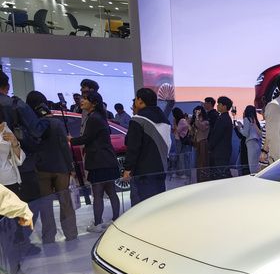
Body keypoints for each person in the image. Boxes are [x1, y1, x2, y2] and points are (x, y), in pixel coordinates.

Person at [25, 91, 78, 243]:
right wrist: (71, 167)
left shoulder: (30, 124)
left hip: (40, 168)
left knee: (45, 205)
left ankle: (48, 237)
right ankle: (71, 234)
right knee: (65, 202)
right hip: (61, 168)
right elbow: (64, 146)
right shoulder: (55, 123)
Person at [67, 91, 120, 232]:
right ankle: (115, 219)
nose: (82, 101)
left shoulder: (94, 118)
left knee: (98, 193)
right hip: (107, 159)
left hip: (99, 161)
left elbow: (86, 138)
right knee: (111, 191)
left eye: (85, 99)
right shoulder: (98, 116)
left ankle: (97, 224)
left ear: (94, 103)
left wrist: (71, 140)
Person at [122, 88, 172, 204]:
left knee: (141, 202)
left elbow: (133, 146)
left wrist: (127, 168)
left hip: (142, 170)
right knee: (158, 200)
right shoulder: (165, 120)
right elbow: (168, 144)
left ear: (140, 100)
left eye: (136, 99)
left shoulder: (138, 120)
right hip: (161, 167)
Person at [208, 96, 233, 179]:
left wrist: (209, 147)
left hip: (220, 152)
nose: (217, 106)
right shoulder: (227, 118)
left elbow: (216, 136)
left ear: (224, 106)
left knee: (222, 174)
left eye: (219, 104)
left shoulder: (221, 119)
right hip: (224, 151)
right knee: (224, 173)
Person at [241, 105, 263, 174]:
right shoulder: (255, 120)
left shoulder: (246, 119)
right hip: (256, 144)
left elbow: (245, 134)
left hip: (250, 143)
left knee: (252, 166)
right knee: (256, 165)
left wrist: (240, 128)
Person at [191, 105, 210, 182]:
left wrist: (197, 117)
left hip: (203, 142)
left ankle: (204, 179)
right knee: (198, 163)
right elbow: (192, 132)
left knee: (203, 162)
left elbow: (200, 125)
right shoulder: (196, 122)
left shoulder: (206, 122)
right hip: (198, 143)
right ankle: (199, 179)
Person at [171, 107, 191, 179]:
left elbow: (178, 130)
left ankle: (184, 173)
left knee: (182, 157)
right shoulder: (179, 121)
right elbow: (174, 131)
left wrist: (174, 123)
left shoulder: (182, 121)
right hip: (178, 140)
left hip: (181, 141)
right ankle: (179, 172)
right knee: (179, 157)